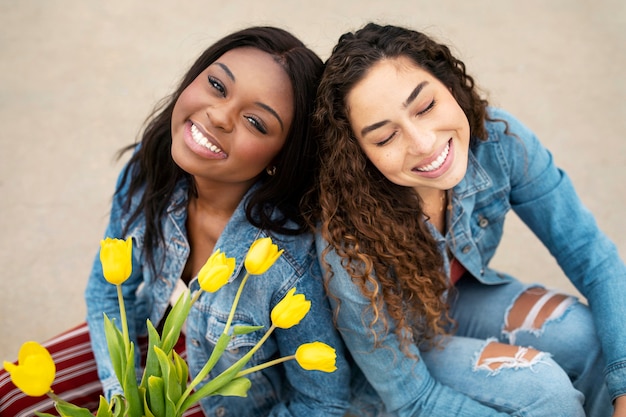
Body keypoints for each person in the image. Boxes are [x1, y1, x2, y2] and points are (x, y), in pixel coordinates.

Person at [1, 26, 351, 417]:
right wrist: (122, 397)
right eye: (217, 85)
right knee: (10, 396)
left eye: (256, 122)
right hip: (148, 333)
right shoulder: (149, 170)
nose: (219, 115)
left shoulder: (286, 264)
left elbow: (322, 400)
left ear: (280, 158)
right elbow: (105, 292)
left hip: (228, 398)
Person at [309, 22, 626, 417]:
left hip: (456, 304)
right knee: (545, 392)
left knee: (587, 337)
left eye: (425, 107)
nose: (424, 144)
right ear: (358, 156)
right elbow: (411, 398)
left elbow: (592, 257)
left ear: (452, 88)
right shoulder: (346, 240)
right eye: (385, 137)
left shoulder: (499, 141)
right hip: (389, 363)